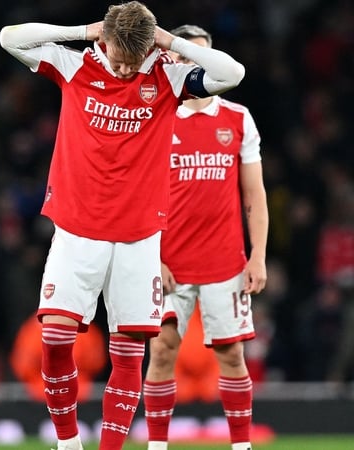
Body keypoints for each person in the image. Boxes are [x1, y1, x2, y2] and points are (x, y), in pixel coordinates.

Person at [0, 2, 245, 449]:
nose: (127, 69)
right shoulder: (74, 64)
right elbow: (9, 37)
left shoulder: (166, 76)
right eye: (118, 58)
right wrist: (86, 29)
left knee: (128, 354)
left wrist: (167, 40)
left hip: (139, 238)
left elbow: (233, 74)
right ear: (104, 41)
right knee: (55, 340)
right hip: (77, 230)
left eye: (134, 61)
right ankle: (69, 442)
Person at [142, 24, 268, 450]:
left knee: (231, 356)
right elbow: (139, 194)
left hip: (224, 261)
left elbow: (254, 194)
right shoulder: (158, 115)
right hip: (168, 261)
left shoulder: (238, 118)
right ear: (175, 60)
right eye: (186, 56)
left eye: (203, 56)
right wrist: (152, 256)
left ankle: (241, 446)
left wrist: (259, 256)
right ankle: (157, 446)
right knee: (162, 351)